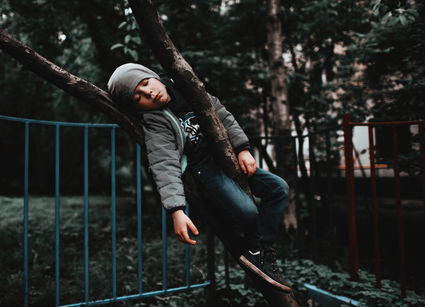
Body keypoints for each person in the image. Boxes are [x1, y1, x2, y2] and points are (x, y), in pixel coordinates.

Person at [107, 63, 291, 292]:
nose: (149, 93)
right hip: (204, 167)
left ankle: (261, 252)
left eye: (145, 84)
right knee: (248, 212)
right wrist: (176, 210)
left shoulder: (185, 87)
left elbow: (221, 113)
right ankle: (257, 253)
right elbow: (164, 164)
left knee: (278, 188)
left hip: (227, 156)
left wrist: (242, 148)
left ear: (153, 77)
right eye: (138, 97)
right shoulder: (155, 122)